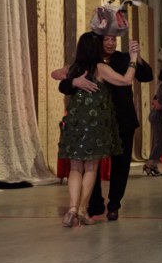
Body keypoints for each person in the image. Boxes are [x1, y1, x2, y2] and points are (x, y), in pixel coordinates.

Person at [58, 30, 153, 221]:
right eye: (106, 39)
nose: (110, 43)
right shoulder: (88, 63)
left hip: (121, 119)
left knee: (120, 165)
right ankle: (92, 205)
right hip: (96, 122)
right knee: (91, 164)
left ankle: (113, 204)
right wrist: (74, 81)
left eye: (114, 39)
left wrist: (137, 58)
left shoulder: (123, 58)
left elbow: (146, 76)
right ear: (98, 42)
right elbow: (63, 84)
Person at [143, 80, 162, 176]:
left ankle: (153, 165)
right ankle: (149, 165)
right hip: (157, 117)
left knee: (160, 142)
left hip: (157, 117)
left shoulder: (161, 88)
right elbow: (158, 105)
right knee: (160, 143)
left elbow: (154, 101)